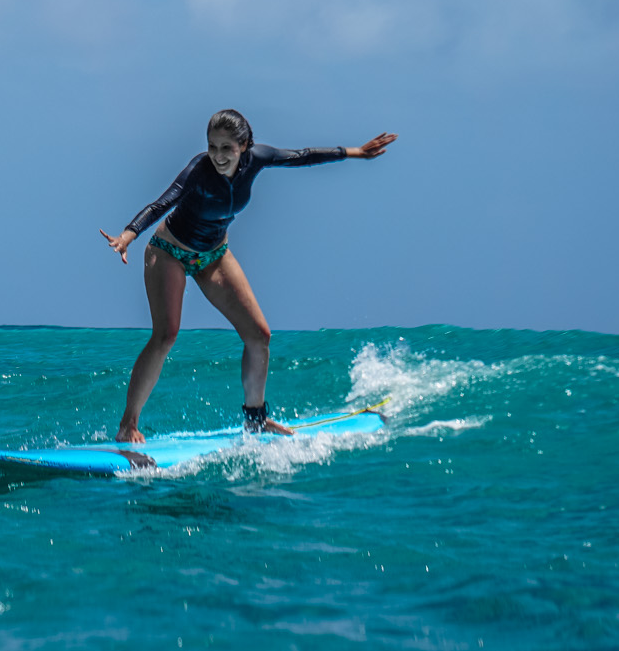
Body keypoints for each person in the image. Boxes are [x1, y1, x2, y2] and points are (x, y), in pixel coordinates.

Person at [98, 110, 396, 442]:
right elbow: (163, 202)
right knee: (166, 335)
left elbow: (303, 157)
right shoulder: (199, 170)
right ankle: (128, 425)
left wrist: (355, 151)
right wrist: (128, 235)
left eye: (227, 148)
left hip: (214, 256)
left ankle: (256, 419)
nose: (218, 156)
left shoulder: (258, 158)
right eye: (212, 147)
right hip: (169, 252)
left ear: (244, 146)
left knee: (259, 335)